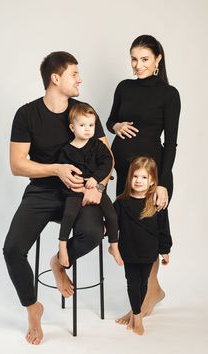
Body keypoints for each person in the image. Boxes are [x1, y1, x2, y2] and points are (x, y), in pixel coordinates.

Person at [3, 51, 112, 345]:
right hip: (43, 191)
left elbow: (107, 157)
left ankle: (58, 262)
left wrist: (98, 187)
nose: (80, 79)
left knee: (92, 233)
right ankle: (33, 308)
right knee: (12, 250)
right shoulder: (27, 114)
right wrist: (56, 169)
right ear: (55, 78)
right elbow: (17, 164)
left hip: (79, 192)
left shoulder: (84, 111)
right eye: (74, 74)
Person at [106, 34, 181, 321]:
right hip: (126, 175)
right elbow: (111, 118)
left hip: (152, 176)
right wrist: (117, 124)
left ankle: (148, 295)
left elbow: (171, 142)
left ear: (158, 59)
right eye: (134, 60)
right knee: (130, 232)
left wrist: (162, 182)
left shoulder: (169, 94)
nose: (138, 65)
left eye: (145, 59)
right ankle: (153, 291)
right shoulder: (124, 87)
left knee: (149, 234)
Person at [57, 102, 123, 267]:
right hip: (74, 191)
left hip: (95, 189)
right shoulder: (66, 150)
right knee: (69, 214)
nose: (88, 129)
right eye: (82, 125)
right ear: (72, 128)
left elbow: (107, 162)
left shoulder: (97, 145)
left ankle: (114, 245)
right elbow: (63, 171)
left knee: (113, 215)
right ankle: (63, 244)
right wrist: (74, 183)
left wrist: (96, 179)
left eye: (91, 125)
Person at [114, 157, 172, 335]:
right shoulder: (121, 203)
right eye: (135, 176)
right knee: (132, 283)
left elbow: (163, 229)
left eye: (144, 177)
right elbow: (110, 224)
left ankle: (135, 310)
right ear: (129, 178)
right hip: (129, 252)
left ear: (152, 180)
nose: (139, 181)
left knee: (143, 284)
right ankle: (137, 316)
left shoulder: (156, 203)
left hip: (149, 253)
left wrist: (165, 250)